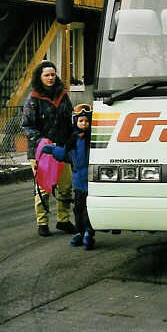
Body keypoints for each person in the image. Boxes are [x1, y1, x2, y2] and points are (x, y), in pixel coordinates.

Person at [21, 60, 76, 237]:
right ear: (40, 77)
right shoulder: (33, 99)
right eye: (47, 75)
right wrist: (42, 142)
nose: (51, 78)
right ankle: (42, 223)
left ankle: (64, 220)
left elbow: (70, 119)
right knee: (43, 188)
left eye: (53, 74)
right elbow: (28, 125)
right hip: (42, 151)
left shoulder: (63, 95)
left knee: (66, 187)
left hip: (62, 148)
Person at [43, 105, 95, 250]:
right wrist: (53, 150)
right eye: (80, 121)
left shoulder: (93, 140)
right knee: (78, 209)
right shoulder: (73, 139)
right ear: (75, 123)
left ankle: (89, 233)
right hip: (78, 183)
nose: (83, 124)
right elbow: (65, 155)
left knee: (88, 210)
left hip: (91, 182)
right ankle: (81, 232)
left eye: (86, 121)